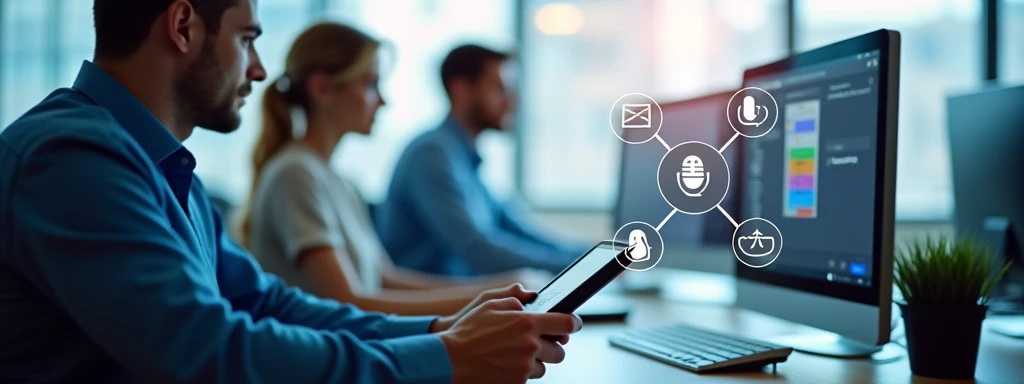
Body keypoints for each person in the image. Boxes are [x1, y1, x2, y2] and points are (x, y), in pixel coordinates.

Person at [0, 1, 580, 383]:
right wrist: (449, 356)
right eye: (247, 40)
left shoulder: (167, 171)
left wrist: (439, 330)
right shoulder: (72, 157)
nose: (257, 70)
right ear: (182, 27)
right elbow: (208, 351)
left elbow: (266, 304)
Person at [240, 22, 550, 317]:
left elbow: (386, 278)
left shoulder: (340, 181)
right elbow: (349, 302)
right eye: (371, 84)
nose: (384, 101)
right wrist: (490, 295)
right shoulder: (295, 174)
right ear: (322, 88)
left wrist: (495, 289)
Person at [376, 44, 589, 277]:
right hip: (438, 303)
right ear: (461, 90)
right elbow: (478, 250)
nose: (511, 101)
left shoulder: (464, 158)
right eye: (500, 89)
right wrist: (582, 268)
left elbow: (519, 230)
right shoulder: (431, 154)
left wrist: (592, 257)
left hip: (468, 299)